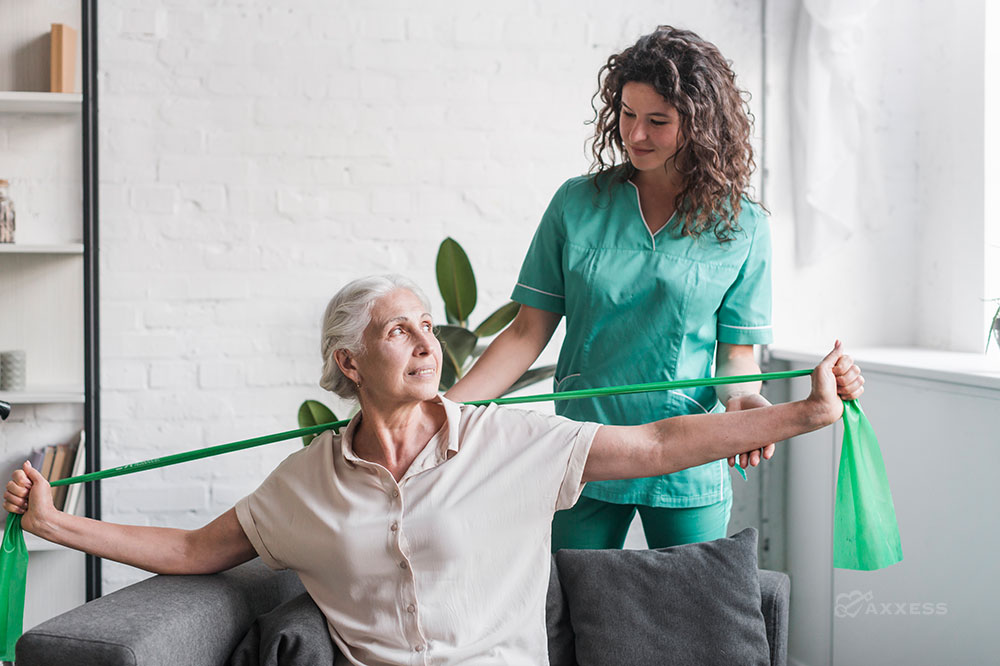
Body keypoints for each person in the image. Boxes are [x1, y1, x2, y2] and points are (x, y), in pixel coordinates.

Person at [5, 275, 863, 665]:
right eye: (397, 330)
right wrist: (53, 522)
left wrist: (806, 411)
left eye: (426, 323)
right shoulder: (303, 485)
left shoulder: (504, 442)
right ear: (349, 364)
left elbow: (660, 446)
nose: (426, 343)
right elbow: (196, 550)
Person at [447, 25, 815, 551]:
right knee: (570, 612)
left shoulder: (742, 225)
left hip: (687, 452)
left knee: (693, 610)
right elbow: (527, 332)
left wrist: (742, 400)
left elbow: (736, 353)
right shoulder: (576, 205)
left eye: (658, 121)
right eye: (626, 114)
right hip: (585, 449)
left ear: (701, 125)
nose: (635, 134)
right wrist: (443, 411)